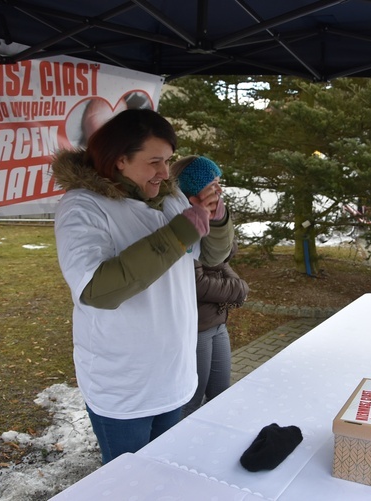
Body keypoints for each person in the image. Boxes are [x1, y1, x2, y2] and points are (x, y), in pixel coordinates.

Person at [51, 109, 234, 464]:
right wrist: (180, 231)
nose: (165, 173)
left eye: (167, 161)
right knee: (130, 486)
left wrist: (216, 218)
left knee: (165, 476)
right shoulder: (83, 206)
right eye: (154, 162)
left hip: (175, 376)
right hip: (125, 387)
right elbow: (98, 290)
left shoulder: (168, 198)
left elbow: (209, 256)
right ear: (119, 160)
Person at [171, 156, 250, 417]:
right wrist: (237, 289)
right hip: (197, 328)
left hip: (217, 323)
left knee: (221, 394)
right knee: (191, 402)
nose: (219, 190)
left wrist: (233, 281)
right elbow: (197, 282)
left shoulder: (215, 218)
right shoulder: (183, 221)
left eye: (219, 182)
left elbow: (222, 258)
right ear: (192, 191)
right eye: (212, 184)